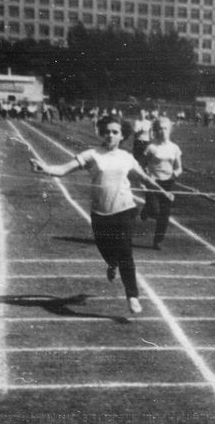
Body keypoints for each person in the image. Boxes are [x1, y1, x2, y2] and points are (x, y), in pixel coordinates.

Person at [29, 114, 174, 315]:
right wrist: (45, 168)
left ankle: (132, 296)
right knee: (105, 249)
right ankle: (111, 263)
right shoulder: (92, 155)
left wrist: (163, 192)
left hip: (125, 209)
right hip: (100, 212)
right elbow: (63, 170)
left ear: (122, 135)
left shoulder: (127, 158)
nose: (110, 136)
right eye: (106, 132)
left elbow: (145, 179)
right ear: (101, 133)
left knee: (125, 252)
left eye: (115, 132)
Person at [140, 116, 183, 250]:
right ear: (156, 131)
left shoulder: (174, 148)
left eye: (165, 128)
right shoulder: (152, 147)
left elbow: (179, 167)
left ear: (170, 130)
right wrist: (144, 179)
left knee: (164, 214)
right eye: (160, 129)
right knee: (155, 211)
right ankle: (148, 208)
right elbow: (141, 164)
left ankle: (157, 241)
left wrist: (175, 174)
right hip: (153, 182)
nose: (163, 131)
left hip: (167, 183)